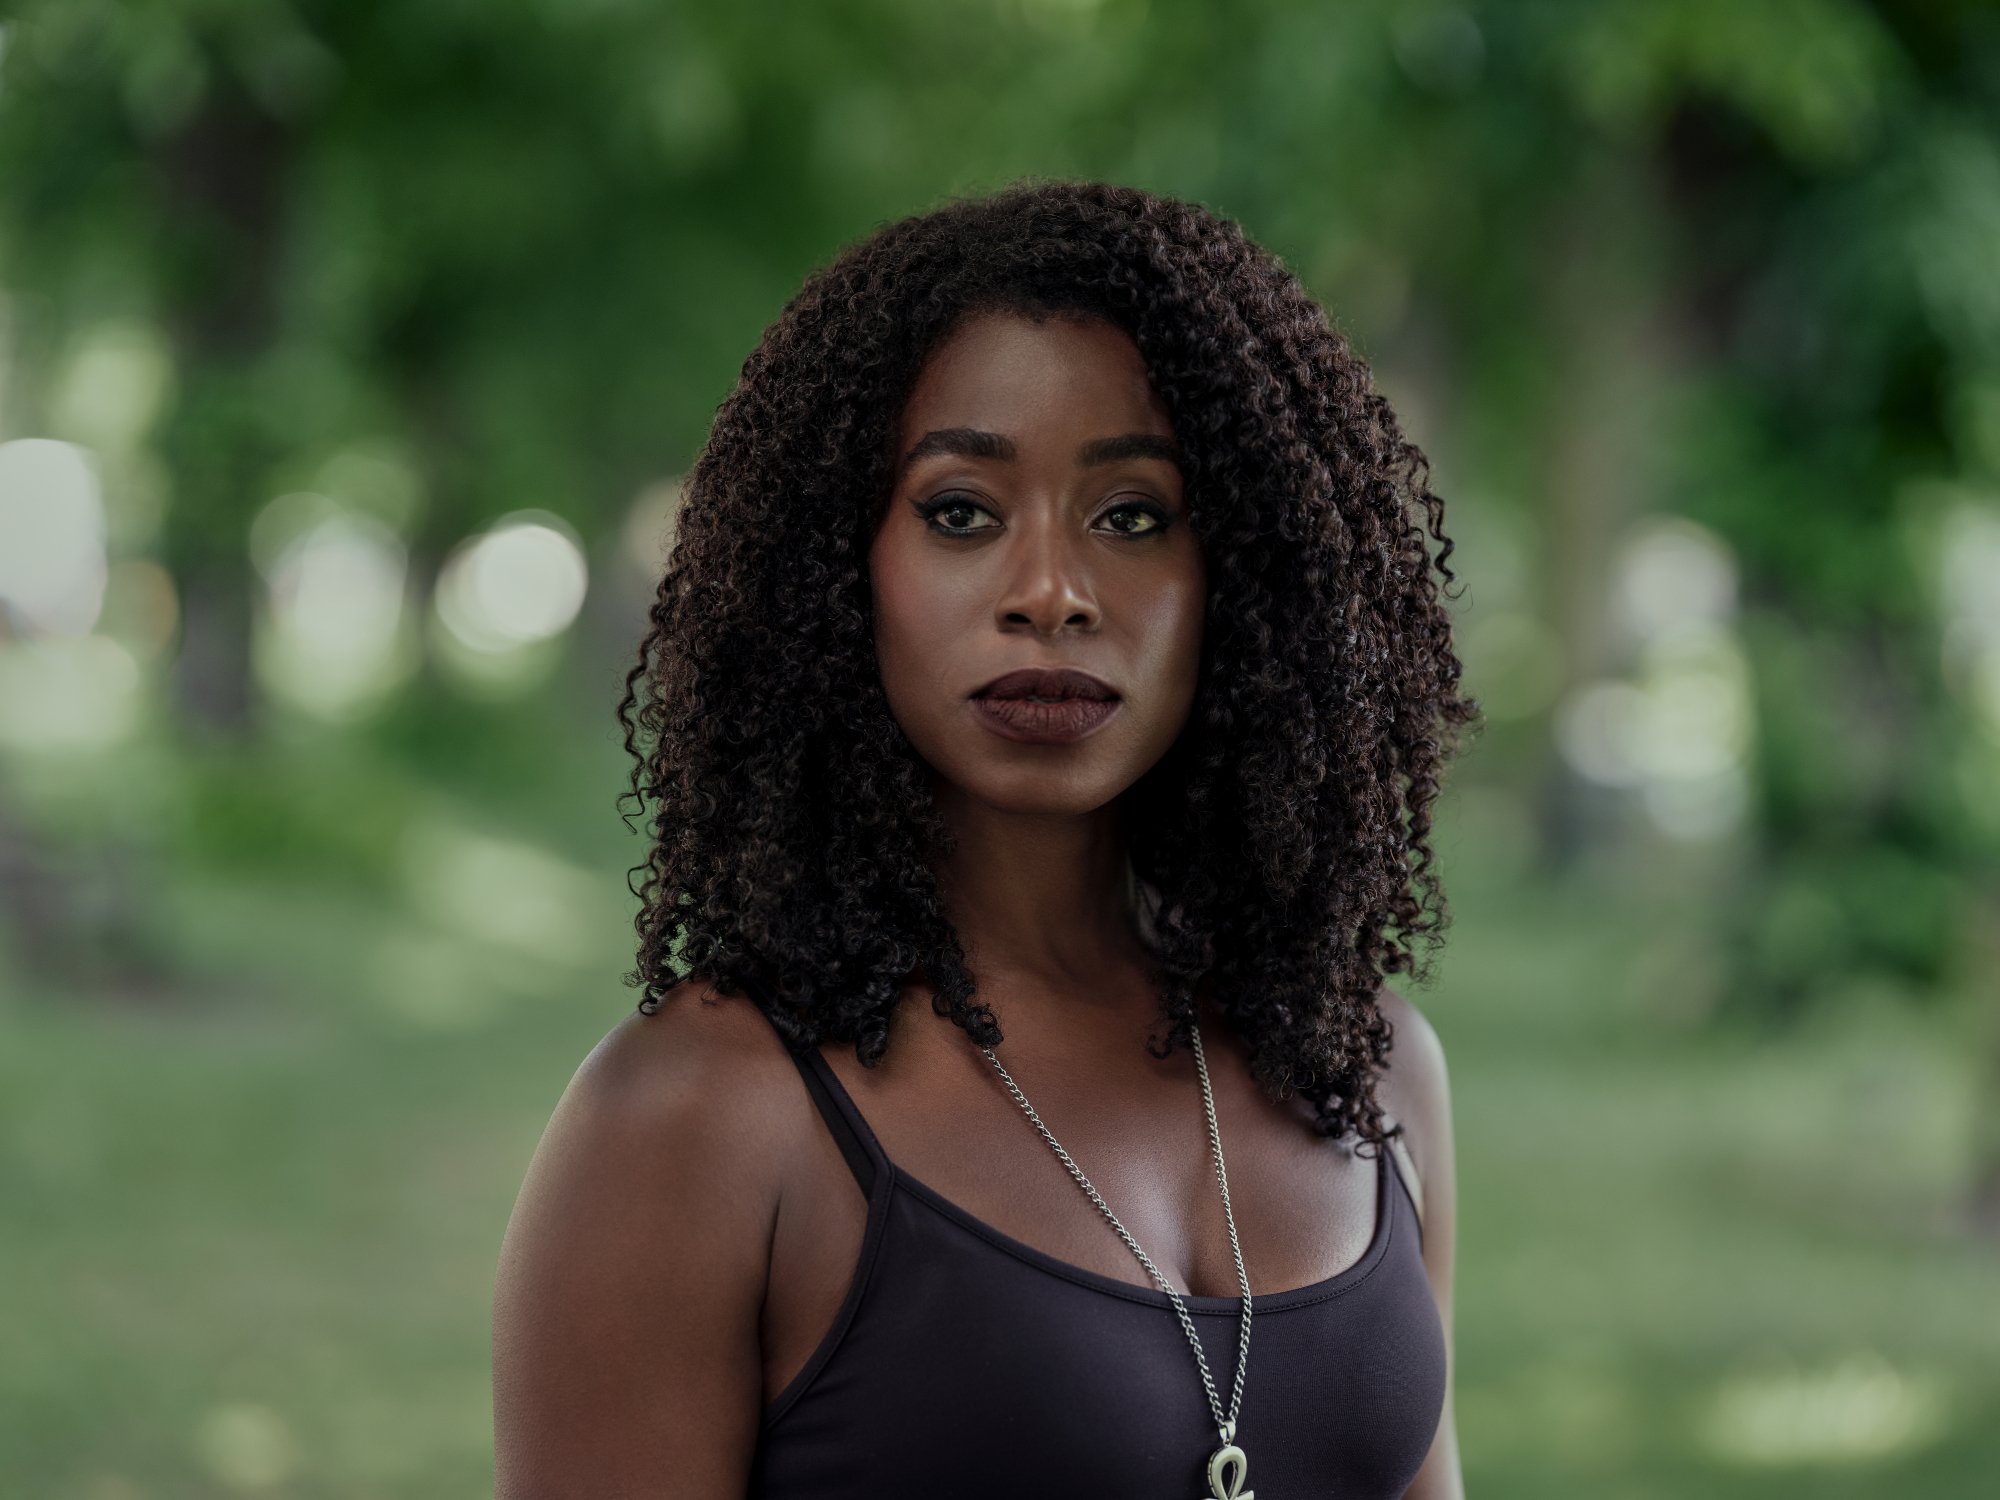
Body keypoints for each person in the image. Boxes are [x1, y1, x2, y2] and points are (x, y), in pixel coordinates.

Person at [493, 178, 1479, 1498]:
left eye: (1134, 515)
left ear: (1245, 575)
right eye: (961, 510)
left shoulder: (1370, 1073)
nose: (1051, 594)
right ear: (842, 563)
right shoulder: (701, 1121)